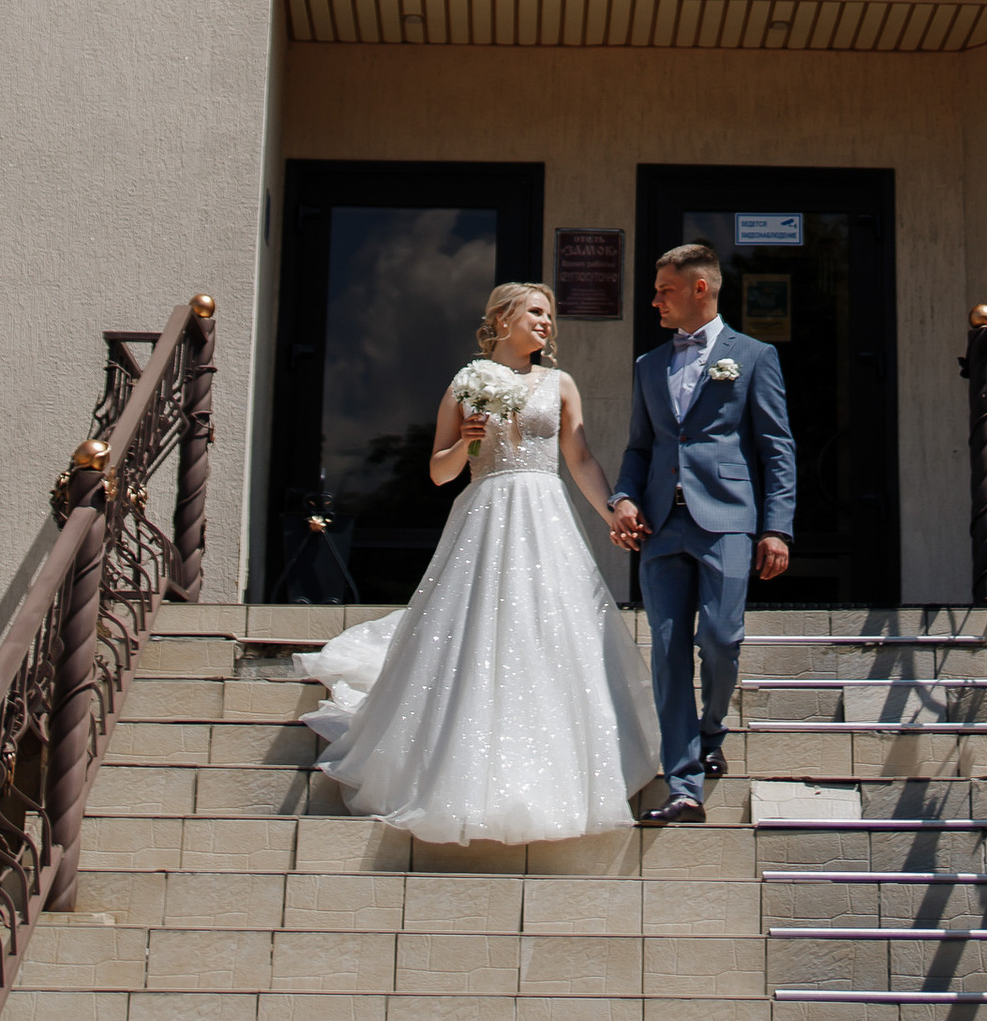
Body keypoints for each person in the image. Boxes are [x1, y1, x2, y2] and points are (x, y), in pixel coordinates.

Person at [307, 281, 657, 845]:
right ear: (503, 319)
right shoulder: (466, 384)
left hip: (546, 516)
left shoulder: (560, 384)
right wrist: (466, 442)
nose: (547, 323)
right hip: (487, 512)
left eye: (550, 315)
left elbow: (580, 457)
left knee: (549, 629)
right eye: (536, 313)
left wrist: (613, 509)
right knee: (482, 632)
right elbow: (439, 473)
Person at [609, 240, 796, 823]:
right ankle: (683, 785)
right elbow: (641, 447)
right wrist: (622, 498)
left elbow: (777, 449)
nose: (655, 301)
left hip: (729, 523)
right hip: (661, 527)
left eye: (664, 290)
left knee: (719, 638)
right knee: (666, 652)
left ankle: (711, 728)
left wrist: (777, 528)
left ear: (700, 288)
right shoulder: (647, 366)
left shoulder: (755, 355)